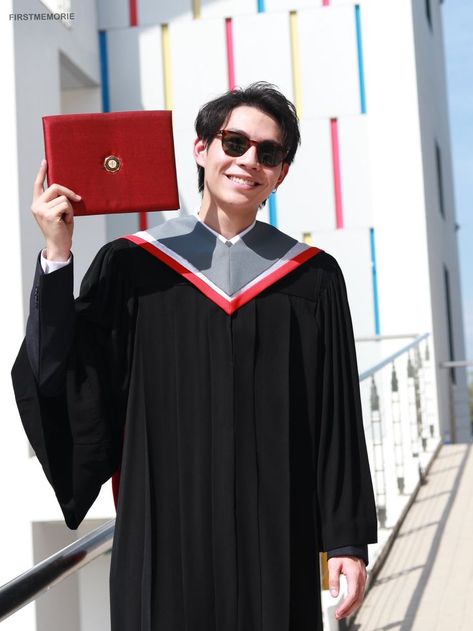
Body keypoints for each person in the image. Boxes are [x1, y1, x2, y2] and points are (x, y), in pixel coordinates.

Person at [12, 82, 377, 631]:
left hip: (276, 535)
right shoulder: (131, 266)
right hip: (163, 532)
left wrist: (346, 540)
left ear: (280, 173)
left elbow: (336, 415)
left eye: (268, 153)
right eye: (234, 143)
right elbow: (65, 372)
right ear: (201, 149)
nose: (248, 160)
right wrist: (57, 251)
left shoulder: (314, 278)